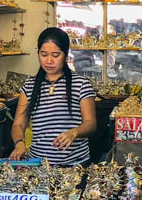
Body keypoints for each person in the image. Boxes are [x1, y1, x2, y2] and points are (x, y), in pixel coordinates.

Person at [9, 27, 98, 166]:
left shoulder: (81, 84)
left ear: (65, 55)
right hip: (39, 166)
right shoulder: (29, 86)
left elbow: (91, 123)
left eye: (55, 55)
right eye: (44, 54)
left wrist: (74, 132)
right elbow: (18, 124)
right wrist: (19, 143)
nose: (49, 61)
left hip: (75, 166)